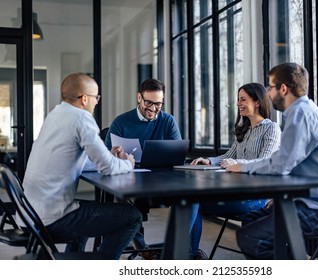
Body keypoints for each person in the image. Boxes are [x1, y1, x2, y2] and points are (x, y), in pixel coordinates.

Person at [226, 62, 318, 259]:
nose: (267, 93)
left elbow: (281, 164)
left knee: (249, 237)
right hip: (312, 201)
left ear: (283, 89)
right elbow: (293, 163)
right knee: (251, 219)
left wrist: (243, 167)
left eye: (270, 87)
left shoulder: (301, 115)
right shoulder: (309, 112)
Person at [19, 73, 142, 260]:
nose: (96, 102)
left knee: (90, 213)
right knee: (132, 216)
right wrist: (128, 163)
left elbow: (78, 160)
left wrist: (107, 156)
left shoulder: (55, 115)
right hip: (52, 217)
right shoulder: (81, 118)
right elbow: (107, 168)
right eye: (96, 97)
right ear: (85, 98)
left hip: (31, 212)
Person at [105, 78, 202, 259]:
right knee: (123, 203)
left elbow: (177, 152)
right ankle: (143, 249)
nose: (153, 108)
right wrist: (115, 154)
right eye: (148, 102)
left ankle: (183, 253)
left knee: (192, 198)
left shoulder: (168, 121)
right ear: (139, 98)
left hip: (164, 178)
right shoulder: (121, 122)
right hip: (129, 179)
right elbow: (105, 156)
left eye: (158, 103)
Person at [190, 82, 281, 259]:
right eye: (238, 99)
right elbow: (227, 155)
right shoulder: (244, 130)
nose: (238, 103)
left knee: (195, 203)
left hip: (257, 198)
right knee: (192, 203)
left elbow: (265, 161)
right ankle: (189, 256)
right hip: (235, 193)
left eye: (243, 99)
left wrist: (237, 162)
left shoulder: (272, 128)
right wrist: (208, 160)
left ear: (257, 102)